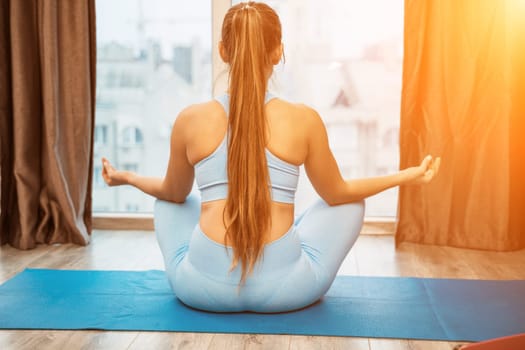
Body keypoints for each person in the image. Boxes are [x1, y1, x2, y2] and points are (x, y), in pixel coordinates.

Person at [101, 1, 440, 313]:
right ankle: (290, 236)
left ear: (222, 51)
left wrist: (126, 177)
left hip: (201, 288)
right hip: (286, 289)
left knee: (171, 202)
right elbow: (338, 193)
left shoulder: (191, 119)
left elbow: (172, 193)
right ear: (278, 52)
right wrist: (406, 175)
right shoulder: (303, 119)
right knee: (349, 202)